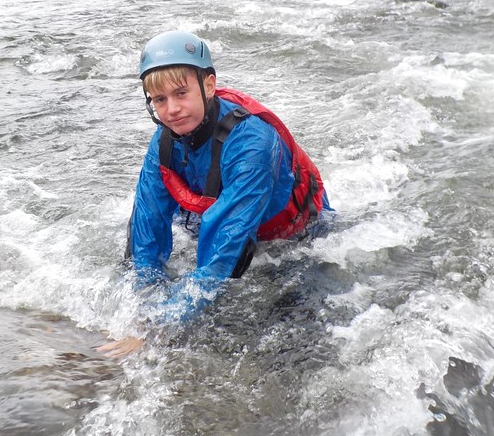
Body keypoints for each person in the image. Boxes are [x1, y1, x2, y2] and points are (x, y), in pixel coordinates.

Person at [97, 30, 331, 358]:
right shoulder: (163, 142)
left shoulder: (253, 144)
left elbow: (223, 258)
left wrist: (155, 327)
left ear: (208, 86)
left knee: (285, 340)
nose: (172, 110)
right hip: (220, 215)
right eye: (159, 100)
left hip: (294, 238)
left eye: (181, 93)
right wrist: (138, 309)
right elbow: (145, 236)